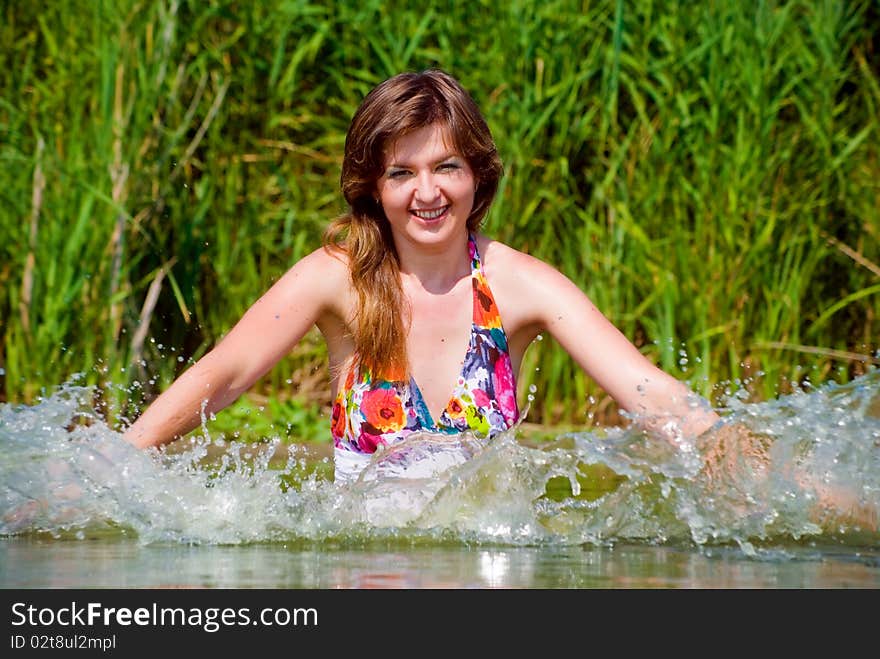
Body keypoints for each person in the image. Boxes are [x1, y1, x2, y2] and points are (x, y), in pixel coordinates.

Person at [123, 68, 722, 484]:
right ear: (374, 187)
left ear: (477, 176)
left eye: (446, 166)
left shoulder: (519, 284)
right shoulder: (339, 279)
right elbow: (225, 373)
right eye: (401, 173)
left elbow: (652, 393)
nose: (427, 193)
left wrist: (747, 461)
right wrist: (112, 467)